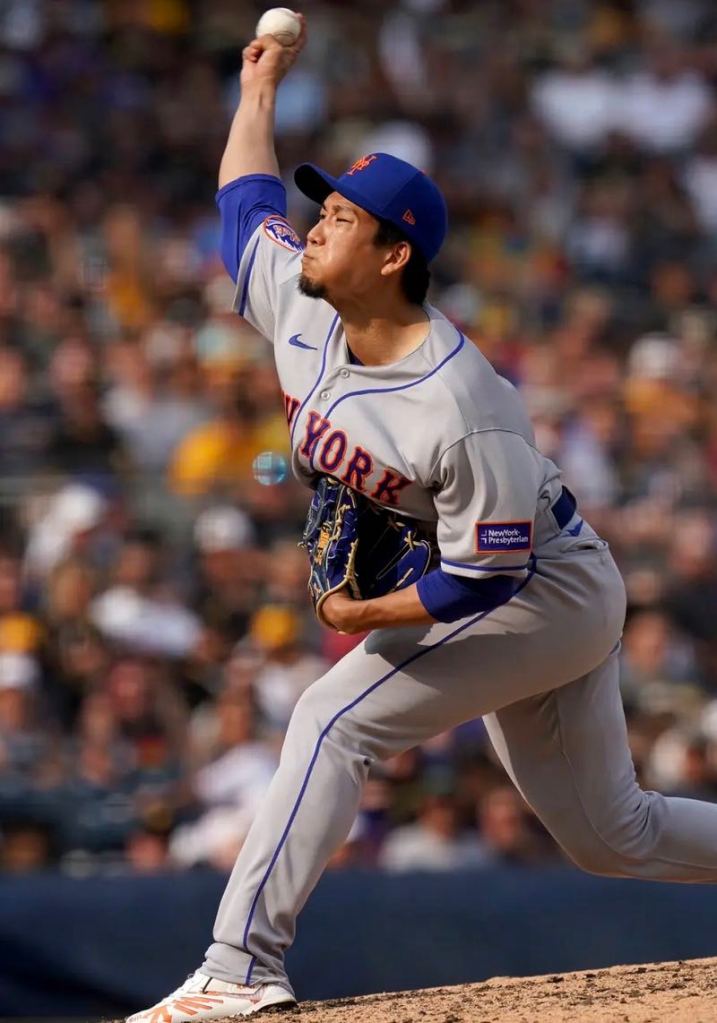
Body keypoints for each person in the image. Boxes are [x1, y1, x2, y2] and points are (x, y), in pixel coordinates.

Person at [128, 19, 717, 1022]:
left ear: (394, 254)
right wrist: (259, 93)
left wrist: (361, 617)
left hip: (540, 588)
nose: (316, 228)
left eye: (341, 219)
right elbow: (244, 205)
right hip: (515, 580)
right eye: (323, 211)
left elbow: (485, 577)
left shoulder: (461, 400)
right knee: (610, 835)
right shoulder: (304, 305)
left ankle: (239, 966)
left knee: (331, 719)